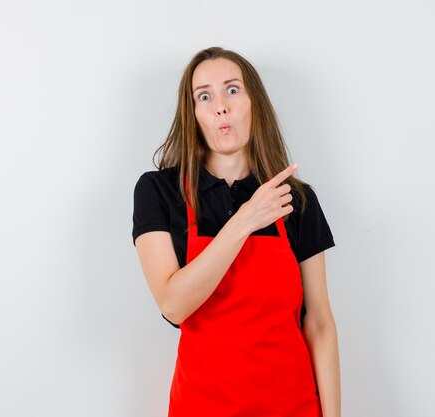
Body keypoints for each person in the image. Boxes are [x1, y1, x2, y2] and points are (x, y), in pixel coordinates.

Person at [132, 46, 341, 417]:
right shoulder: (159, 191)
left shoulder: (296, 199)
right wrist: (246, 219)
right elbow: (174, 304)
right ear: (193, 114)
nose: (220, 107)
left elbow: (319, 321)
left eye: (232, 90)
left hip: (293, 407)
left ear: (253, 103)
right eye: (204, 96)